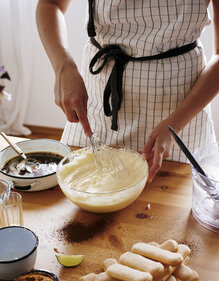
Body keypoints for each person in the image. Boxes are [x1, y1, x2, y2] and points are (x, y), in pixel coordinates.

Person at [36, 0, 219, 183]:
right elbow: (51, 4)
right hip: (98, 109)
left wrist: (176, 125)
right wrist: (63, 67)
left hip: (182, 118)